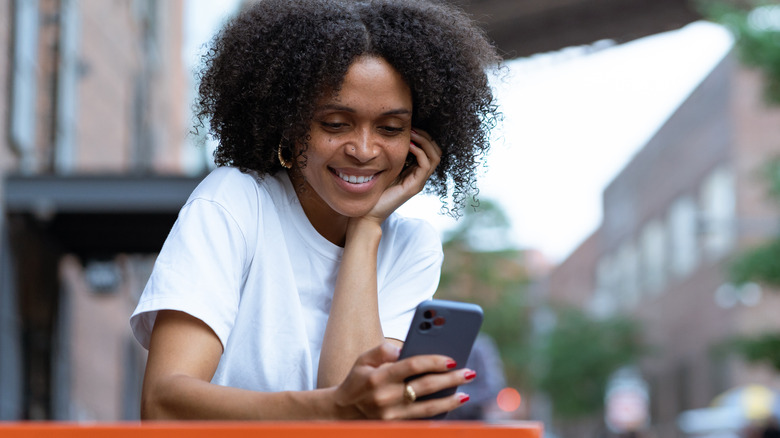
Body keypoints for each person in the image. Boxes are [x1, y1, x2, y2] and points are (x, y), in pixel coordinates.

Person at [130, 0, 500, 420]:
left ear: (419, 138)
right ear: (290, 122)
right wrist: (330, 407)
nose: (363, 150)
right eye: (335, 124)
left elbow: (358, 417)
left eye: (390, 128)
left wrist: (365, 230)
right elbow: (162, 404)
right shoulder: (234, 202)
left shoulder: (411, 245)